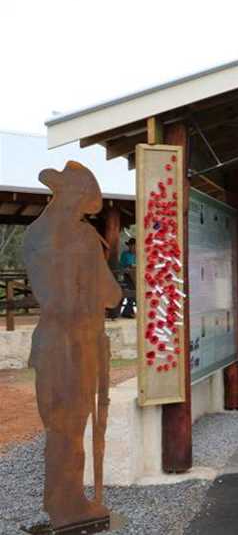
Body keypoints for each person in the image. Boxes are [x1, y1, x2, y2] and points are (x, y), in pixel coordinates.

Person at [22, 161, 121, 528]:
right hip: (77, 344)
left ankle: (61, 499)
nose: (84, 209)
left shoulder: (34, 234)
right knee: (72, 428)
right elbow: (110, 295)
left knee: (58, 427)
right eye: (83, 201)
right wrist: (107, 251)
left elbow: (51, 294)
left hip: (49, 343)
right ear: (75, 196)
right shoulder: (81, 238)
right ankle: (69, 504)